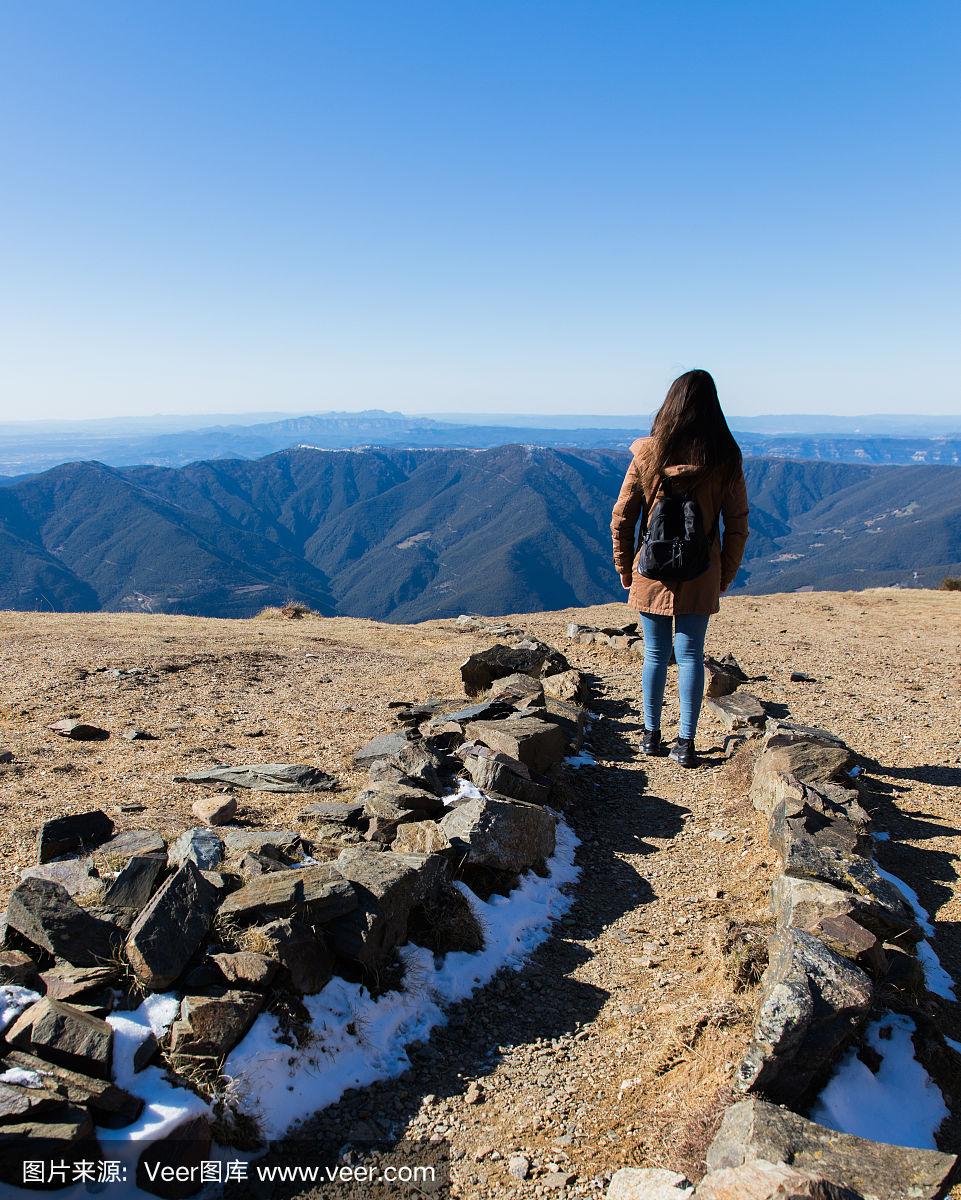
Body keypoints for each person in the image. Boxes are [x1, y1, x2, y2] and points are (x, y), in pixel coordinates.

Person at [610, 369, 749, 768]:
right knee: (691, 656)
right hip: (701, 570)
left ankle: (649, 735)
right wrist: (724, 574)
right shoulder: (724, 458)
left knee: (655, 654)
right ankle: (685, 743)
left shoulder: (648, 455)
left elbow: (622, 517)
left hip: (650, 569)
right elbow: (737, 523)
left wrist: (625, 567)